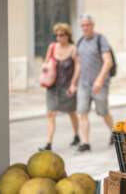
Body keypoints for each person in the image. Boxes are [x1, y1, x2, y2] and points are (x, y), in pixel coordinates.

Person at [40, 23, 81, 151]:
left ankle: (76, 136)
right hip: (52, 87)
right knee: (50, 113)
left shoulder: (73, 49)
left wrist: (74, 84)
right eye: (56, 35)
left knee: (71, 112)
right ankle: (48, 143)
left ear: (68, 35)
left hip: (67, 87)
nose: (58, 38)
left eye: (61, 35)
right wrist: (44, 66)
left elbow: (78, 67)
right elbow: (46, 62)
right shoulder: (52, 47)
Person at [76, 14, 114, 152]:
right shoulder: (80, 41)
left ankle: (114, 132)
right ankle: (85, 142)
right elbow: (78, 64)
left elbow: (108, 62)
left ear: (92, 25)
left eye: (88, 25)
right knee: (82, 112)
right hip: (84, 84)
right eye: (83, 25)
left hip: (99, 84)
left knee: (103, 112)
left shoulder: (100, 39)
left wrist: (99, 79)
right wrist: (73, 83)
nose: (85, 27)